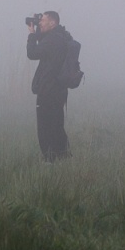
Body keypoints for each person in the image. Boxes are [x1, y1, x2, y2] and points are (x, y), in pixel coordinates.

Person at [26, 11, 72, 162]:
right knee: (57, 124)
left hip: (48, 89)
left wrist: (32, 34)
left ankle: (49, 159)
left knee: (45, 127)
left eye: (43, 21)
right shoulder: (61, 37)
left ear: (53, 23)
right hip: (59, 89)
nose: (40, 23)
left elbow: (32, 53)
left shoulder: (52, 40)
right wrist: (39, 30)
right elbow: (44, 43)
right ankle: (64, 156)